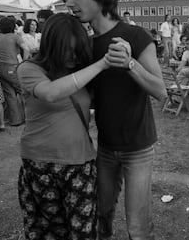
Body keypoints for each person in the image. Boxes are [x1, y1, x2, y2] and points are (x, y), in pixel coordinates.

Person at [60, 0, 167, 240]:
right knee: (101, 213)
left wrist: (130, 63)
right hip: (105, 147)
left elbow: (160, 92)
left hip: (138, 148)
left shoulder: (135, 35)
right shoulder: (85, 45)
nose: (69, 3)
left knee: (138, 227)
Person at [17, 13, 117, 240]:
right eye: (67, 49)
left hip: (79, 163)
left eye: (77, 50)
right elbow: (51, 93)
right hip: (40, 164)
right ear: (51, 45)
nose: (73, 56)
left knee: (82, 231)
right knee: (48, 232)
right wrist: (101, 64)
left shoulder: (81, 72)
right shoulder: (30, 69)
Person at [0, 17, 29, 126]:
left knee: (9, 94)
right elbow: (26, 49)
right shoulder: (16, 37)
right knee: (24, 92)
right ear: (13, 26)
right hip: (12, 67)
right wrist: (24, 62)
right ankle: (29, 118)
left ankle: (16, 120)